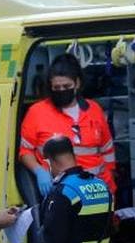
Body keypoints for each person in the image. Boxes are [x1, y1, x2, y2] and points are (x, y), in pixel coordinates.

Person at [19, 53, 117, 200]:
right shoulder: (37, 112)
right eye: (56, 87)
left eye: (66, 86)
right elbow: (24, 150)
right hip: (61, 193)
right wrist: (39, 171)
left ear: (77, 83)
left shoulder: (94, 110)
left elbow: (107, 150)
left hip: (97, 191)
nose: (61, 91)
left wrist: (109, 181)